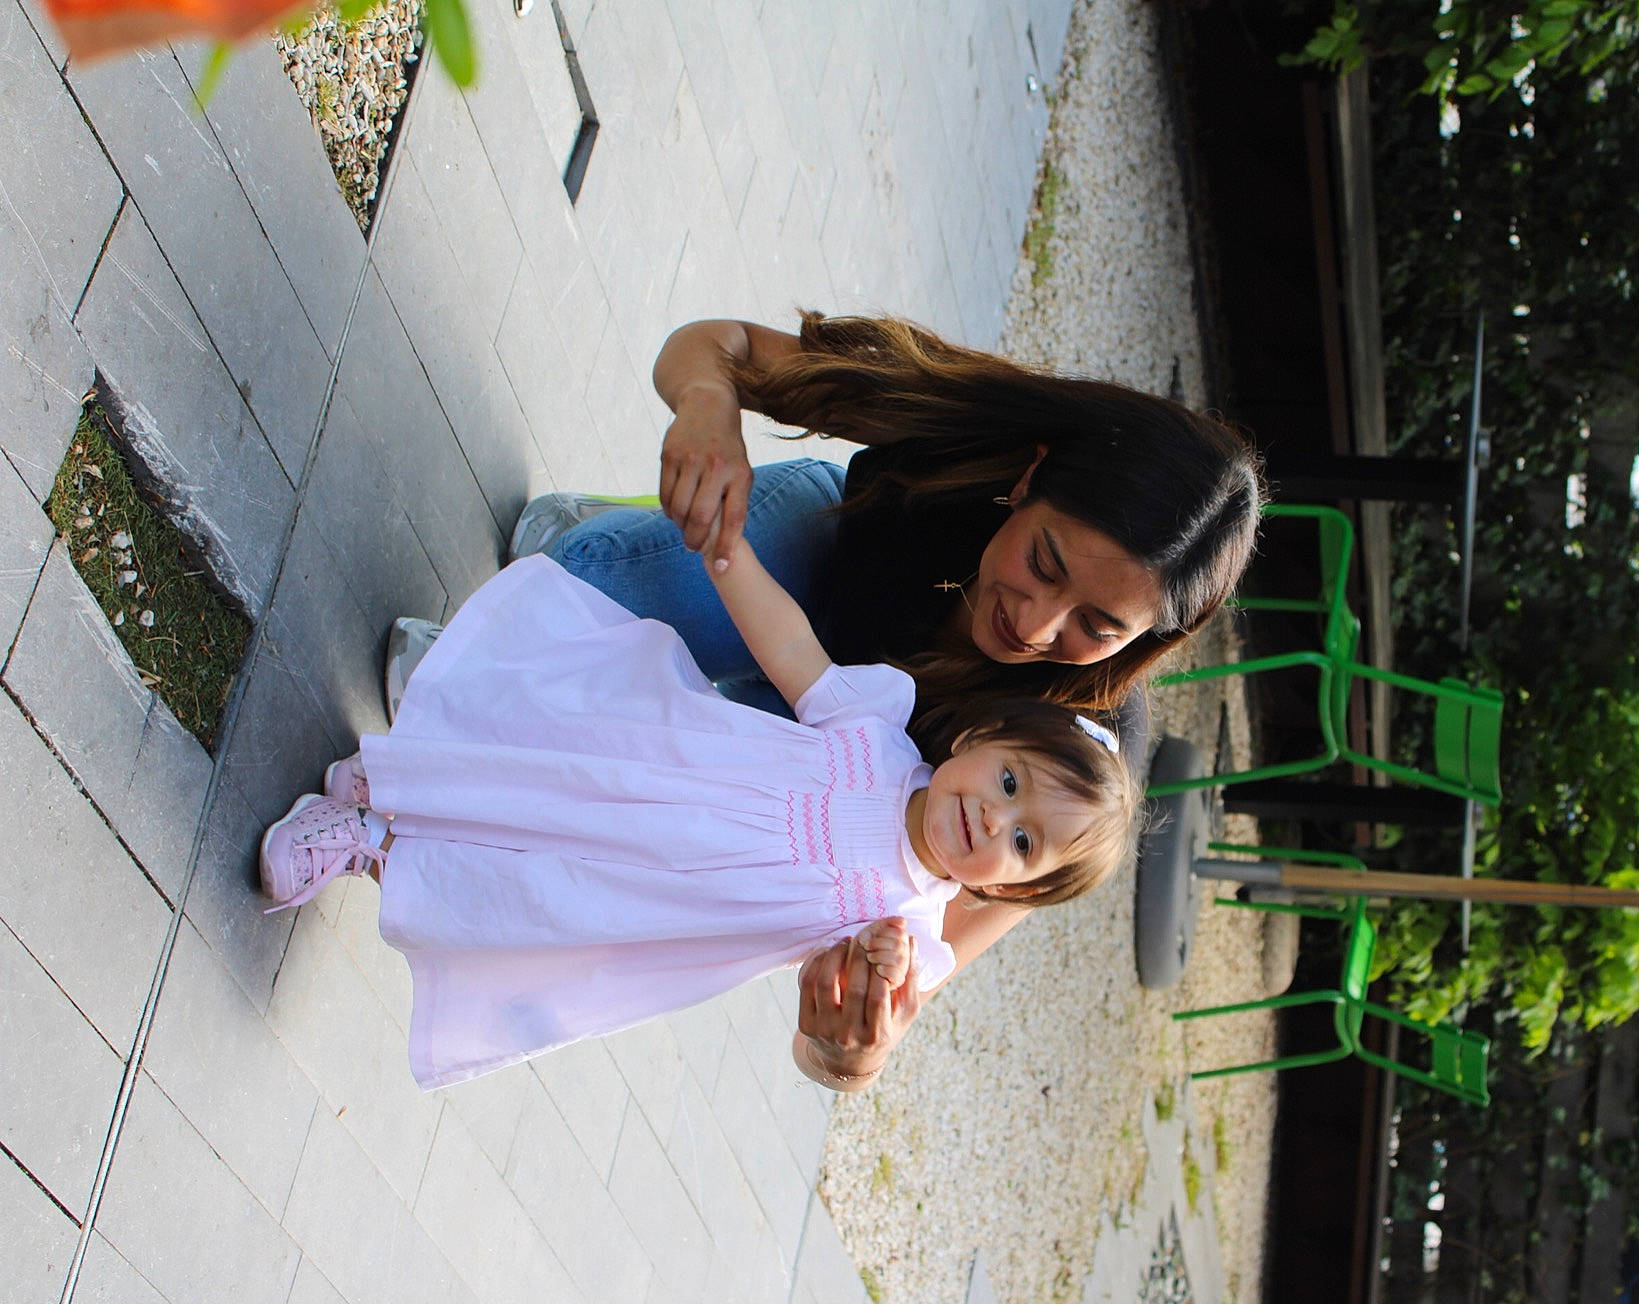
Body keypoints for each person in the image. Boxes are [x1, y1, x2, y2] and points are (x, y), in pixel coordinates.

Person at [386, 311, 1263, 1086]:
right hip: (799, 581)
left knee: (695, 831)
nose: (1038, 625)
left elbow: (929, 956)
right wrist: (706, 416)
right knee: (604, 574)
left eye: (1099, 624)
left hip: (808, 762)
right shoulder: (957, 439)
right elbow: (712, 346)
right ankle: (595, 561)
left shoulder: (1081, 760)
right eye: (1043, 561)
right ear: (1030, 477)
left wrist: (850, 1049)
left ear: (1145, 640)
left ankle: (509, 722)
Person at [258, 528, 1138, 1091]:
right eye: (1010, 782)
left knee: (527, 889)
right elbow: (792, 648)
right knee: (531, 784)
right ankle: (375, 792)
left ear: (1013, 895)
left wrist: (872, 991)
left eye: (1022, 843)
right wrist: (728, 551)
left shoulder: (908, 928)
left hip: (651, 897)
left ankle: (372, 852)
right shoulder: (879, 729)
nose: (993, 817)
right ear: (980, 738)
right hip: (643, 769)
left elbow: (859, 1031)